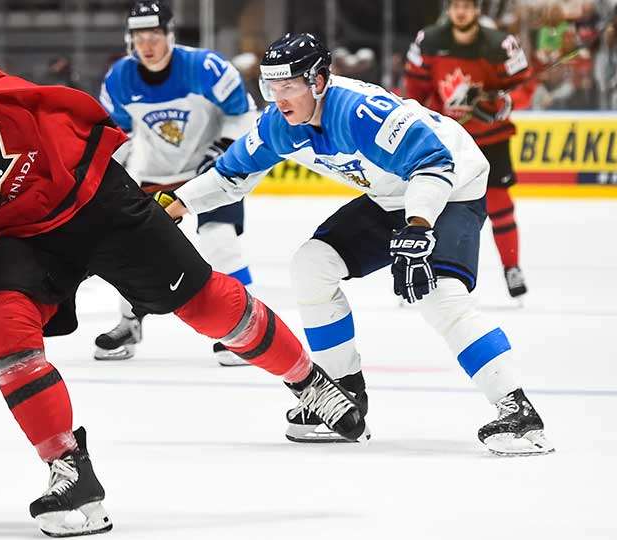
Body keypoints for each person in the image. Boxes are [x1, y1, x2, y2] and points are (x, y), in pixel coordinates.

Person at [0, 3, 368, 537]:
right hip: (26, 234)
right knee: (3, 335)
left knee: (203, 304)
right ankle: (71, 473)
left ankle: (309, 383)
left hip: (91, 196)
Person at [161, 32, 554, 457]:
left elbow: (434, 162)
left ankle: (518, 410)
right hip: (392, 196)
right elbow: (229, 176)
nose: (279, 98)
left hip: (452, 186)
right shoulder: (278, 123)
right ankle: (343, 394)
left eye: (289, 85)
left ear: (319, 80)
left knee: (439, 294)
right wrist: (175, 205)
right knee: (312, 264)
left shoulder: (360, 112)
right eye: (271, 88)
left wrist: (418, 226)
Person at [96, 0, 259, 365]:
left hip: (213, 171)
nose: (148, 44)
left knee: (219, 241)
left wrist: (218, 153)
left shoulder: (208, 68)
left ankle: (248, 327)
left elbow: (245, 116)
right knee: (129, 251)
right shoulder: (120, 78)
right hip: (155, 177)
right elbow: (111, 134)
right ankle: (128, 322)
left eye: (155, 35)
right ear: (130, 40)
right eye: (140, 37)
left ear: (170, 34)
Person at [404, 0, 533, 299]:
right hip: (447, 140)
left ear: (477, 10)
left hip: (491, 140)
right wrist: (435, 114)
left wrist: (503, 103)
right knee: (433, 203)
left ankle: (512, 267)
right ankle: (421, 268)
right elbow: (415, 90)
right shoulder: (429, 41)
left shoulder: (501, 45)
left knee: (500, 205)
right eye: (456, 5)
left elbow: (524, 86)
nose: (461, 11)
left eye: (467, 6)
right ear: (450, 10)